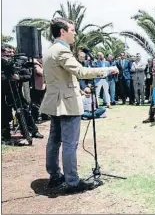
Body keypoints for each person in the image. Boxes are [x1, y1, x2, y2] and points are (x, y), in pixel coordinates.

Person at [40, 18, 119, 193]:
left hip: (55, 102)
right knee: (69, 143)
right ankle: (73, 182)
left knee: (54, 141)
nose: (75, 33)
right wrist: (107, 70)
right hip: (66, 103)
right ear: (62, 31)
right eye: (72, 30)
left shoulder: (50, 50)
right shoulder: (62, 51)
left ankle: (55, 176)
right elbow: (81, 72)